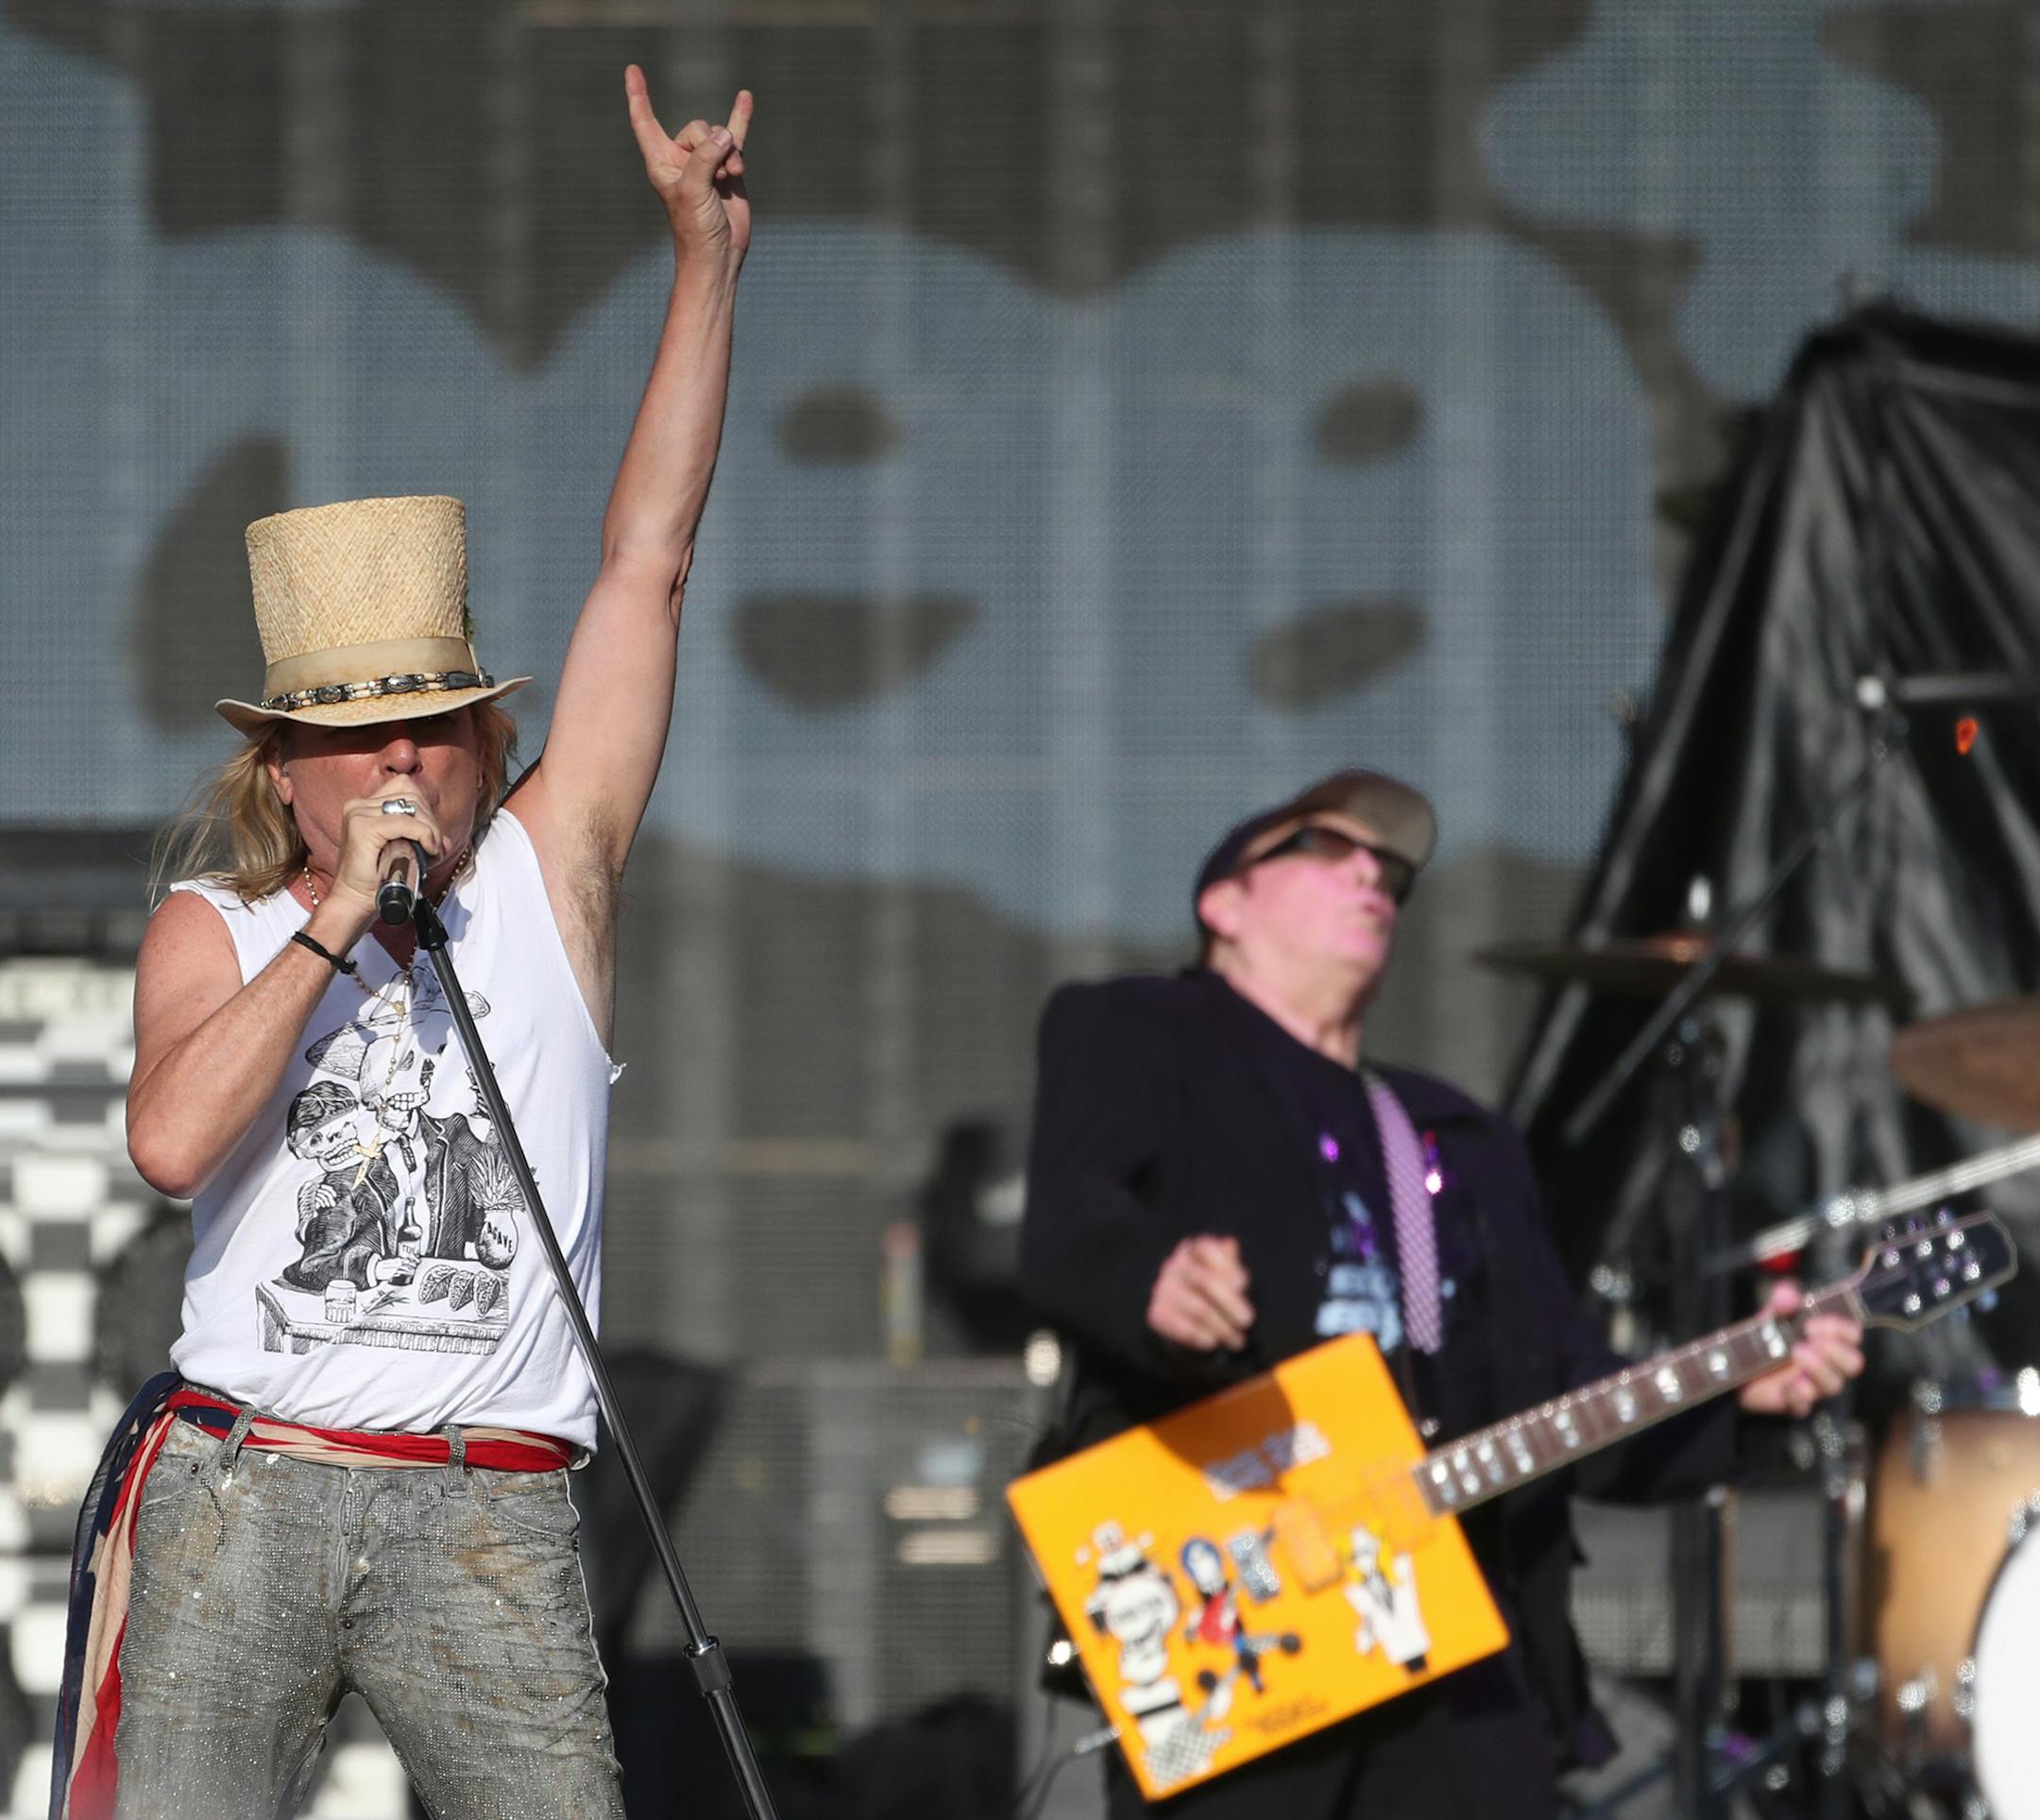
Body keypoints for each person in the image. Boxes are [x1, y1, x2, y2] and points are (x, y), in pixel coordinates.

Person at [54, 66, 752, 1820]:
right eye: (355, 741)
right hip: (245, 1486)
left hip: (489, 1505)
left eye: (433, 730)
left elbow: (645, 566)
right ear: (282, 773)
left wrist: (704, 266)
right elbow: (167, 1140)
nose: (398, 765)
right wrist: (338, 921)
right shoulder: (214, 928)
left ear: (487, 751)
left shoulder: (545, 875)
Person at [1017, 770, 1866, 1820]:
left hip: (1445, 1624)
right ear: (1224, 903)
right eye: (1327, 845)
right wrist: (1153, 1282)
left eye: (1393, 869)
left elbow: (1565, 1394)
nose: (1374, 872)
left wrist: (1742, 1388)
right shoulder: (1140, 1031)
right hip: (1234, 1608)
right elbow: (1068, 1228)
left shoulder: (1452, 1135)